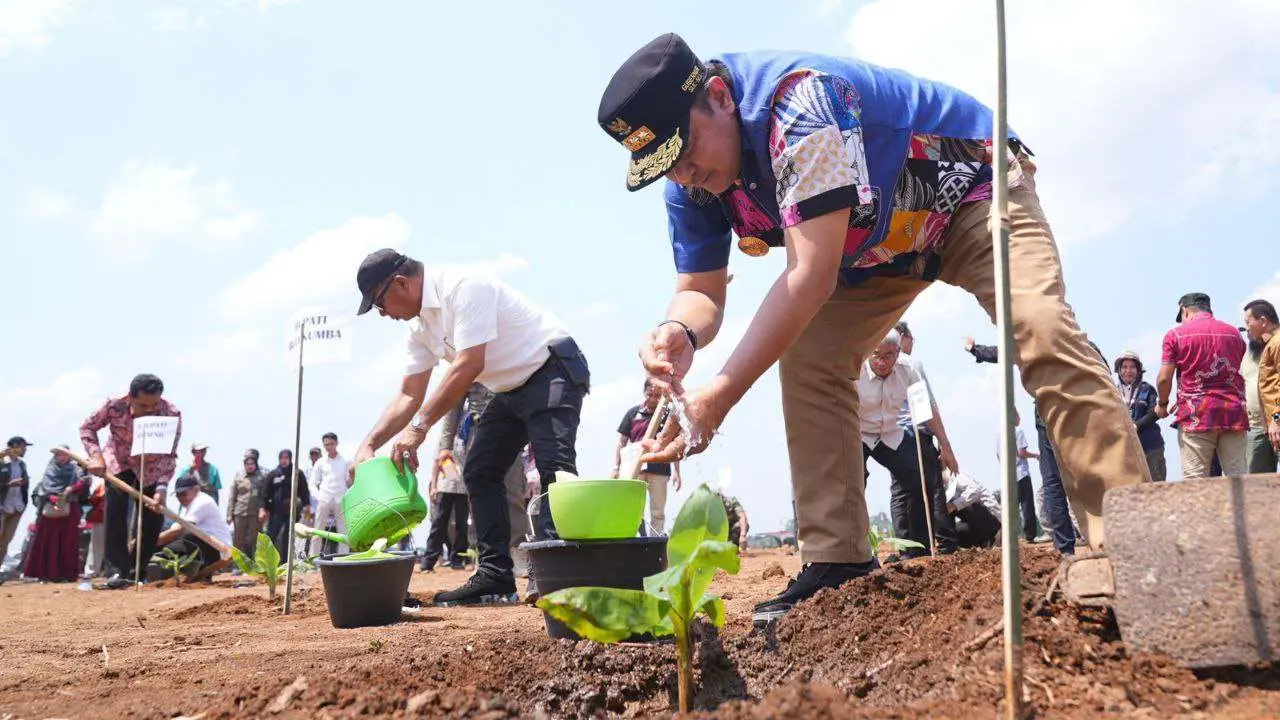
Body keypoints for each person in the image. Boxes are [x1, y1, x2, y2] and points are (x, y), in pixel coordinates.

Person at [599, 33, 1149, 623]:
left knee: (1037, 326)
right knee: (812, 359)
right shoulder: (691, 181)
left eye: (684, 151)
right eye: (666, 166)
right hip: (873, 248)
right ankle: (838, 562)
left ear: (719, 96)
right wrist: (679, 329)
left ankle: (1133, 549)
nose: (683, 175)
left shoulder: (800, 104)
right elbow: (701, 291)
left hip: (967, 192)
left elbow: (809, 276)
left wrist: (720, 395)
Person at [350, 249, 589, 607]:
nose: (383, 314)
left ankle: (556, 573)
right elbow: (409, 393)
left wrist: (419, 428)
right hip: (509, 388)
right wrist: (369, 444)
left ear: (400, 283)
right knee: (479, 470)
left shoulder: (464, 286)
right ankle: (495, 574)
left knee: (555, 468)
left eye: (379, 304)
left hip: (551, 369)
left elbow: (469, 364)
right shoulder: (419, 329)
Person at [964, 337, 1087, 554]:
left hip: (1050, 417)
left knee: (1054, 484)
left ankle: (1066, 546)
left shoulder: (1035, 342)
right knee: (1068, 480)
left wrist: (976, 349)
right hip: (1068, 417)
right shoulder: (1069, 341)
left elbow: (1004, 351)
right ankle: (1084, 536)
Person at [857, 330, 959, 558]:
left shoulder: (909, 368)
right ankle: (856, 552)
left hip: (889, 433)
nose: (881, 362)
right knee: (854, 482)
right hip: (858, 433)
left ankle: (916, 549)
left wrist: (946, 446)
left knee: (919, 474)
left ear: (898, 352)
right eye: (876, 355)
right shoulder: (856, 368)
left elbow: (927, 409)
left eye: (889, 355)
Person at [79, 374, 182, 589]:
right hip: (119, 463)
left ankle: (138, 572)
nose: (150, 410)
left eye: (154, 405)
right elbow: (87, 428)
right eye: (143, 405)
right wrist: (96, 457)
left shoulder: (171, 413)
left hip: (152, 469)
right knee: (115, 513)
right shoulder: (114, 405)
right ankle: (118, 571)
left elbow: (169, 454)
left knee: (153, 518)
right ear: (131, 397)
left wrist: (162, 487)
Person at [435, 384, 533, 577]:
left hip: (512, 425)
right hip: (477, 429)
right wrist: (445, 446)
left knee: (513, 491)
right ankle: (487, 556)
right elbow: (454, 402)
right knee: (480, 495)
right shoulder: (464, 364)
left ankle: (517, 550)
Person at [1157, 293, 1248, 478]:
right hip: (1233, 414)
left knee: (1195, 480)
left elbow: (1164, 379)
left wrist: (1163, 404)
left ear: (1184, 310)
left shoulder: (1175, 335)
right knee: (1239, 478)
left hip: (1195, 415)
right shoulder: (1235, 334)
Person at [611, 380, 682, 535]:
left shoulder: (668, 416)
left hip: (660, 469)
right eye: (650, 395)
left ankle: (656, 540)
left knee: (658, 511)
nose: (653, 398)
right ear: (644, 393)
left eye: (657, 395)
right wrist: (616, 467)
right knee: (634, 508)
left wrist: (677, 472)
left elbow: (675, 444)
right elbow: (621, 442)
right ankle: (638, 540)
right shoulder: (633, 413)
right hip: (636, 468)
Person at [22, 445, 90, 582]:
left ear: (70, 455)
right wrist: (52, 498)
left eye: (64, 454)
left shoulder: (76, 470)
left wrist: (73, 488)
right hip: (50, 511)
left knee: (68, 541)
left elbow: (84, 486)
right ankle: (46, 573)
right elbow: (43, 490)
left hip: (70, 508)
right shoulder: (50, 470)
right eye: (58, 454)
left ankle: (66, 574)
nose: (61, 457)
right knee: (48, 541)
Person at [155, 473, 233, 580]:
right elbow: (174, 528)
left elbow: (179, 530)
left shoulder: (202, 501)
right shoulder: (187, 507)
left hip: (219, 549)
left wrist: (152, 541)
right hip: (207, 546)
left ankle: (194, 570)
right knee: (168, 534)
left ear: (196, 489)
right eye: (177, 495)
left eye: (183, 493)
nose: (180, 498)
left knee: (186, 537)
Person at [1114, 351, 1167, 482]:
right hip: (1124, 449)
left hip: (1151, 447)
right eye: (1124, 367)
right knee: (1129, 487)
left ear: (1138, 370)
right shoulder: (1113, 391)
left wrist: (1136, 425)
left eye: (1132, 367)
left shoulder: (1148, 389)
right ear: (1119, 370)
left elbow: (1154, 413)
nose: (1128, 371)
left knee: (1156, 486)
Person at [1242, 299, 1280, 473]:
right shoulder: (1269, 345)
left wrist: (1277, 419)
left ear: (1263, 321)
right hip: (1263, 427)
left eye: (1248, 323)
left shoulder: (1277, 343)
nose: (1247, 328)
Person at [421, 438, 469, 572]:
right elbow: (437, 463)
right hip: (445, 486)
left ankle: (458, 560)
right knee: (438, 523)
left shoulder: (470, 438)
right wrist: (433, 486)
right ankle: (428, 561)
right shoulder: (446, 440)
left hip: (463, 487)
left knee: (462, 525)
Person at [996, 409, 1039, 542]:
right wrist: (1036, 455)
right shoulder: (1018, 431)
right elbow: (1021, 453)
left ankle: (1008, 535)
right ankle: (1030, 535)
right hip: (1021, 473)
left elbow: (998, 455)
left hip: (1008, 475)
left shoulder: (1000, 435)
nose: (1020, 417)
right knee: (1027, 505)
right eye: (1018, 415)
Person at [259, 449, 309, 559]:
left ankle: (287, 562)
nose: (284, 460)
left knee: (289, 537)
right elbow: (265, 493)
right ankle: (267, 561)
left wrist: (307, 505)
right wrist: (263, 508)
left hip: (293, 511)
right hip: (276, 511)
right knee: (271, 535)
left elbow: (304, 491)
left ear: (290, 459)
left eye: (286, 458)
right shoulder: (273, 474)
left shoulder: (297, 473)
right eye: (281, 458)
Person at [308, 432, 351, 556]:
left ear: (337, 443)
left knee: (343, 531)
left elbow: (349, 481)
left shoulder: (346, 461)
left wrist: (347, 494)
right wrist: (318, 497)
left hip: (340, 498)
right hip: (324, 498)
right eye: (326, 445)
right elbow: (312, 483)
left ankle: (343, 557)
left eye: (332, 444)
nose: (329, 447)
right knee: (318, 530)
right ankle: (313, 557)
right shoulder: (320, 462)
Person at [943, 469, 1001, 549]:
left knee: (953, 503)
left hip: (990, 519)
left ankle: (992, 535)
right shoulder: (942, 489)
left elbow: (975, 490)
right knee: (950, 532)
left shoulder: (955, 476)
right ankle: (984, 541)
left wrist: (953, 505)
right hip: (974, 526)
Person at [226, 451, 266, 559]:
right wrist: (229, 514)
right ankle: (237, 564)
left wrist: (263, 510)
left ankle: (257, 563)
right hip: (239, 512)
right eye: (247, 464)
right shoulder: (238, 477)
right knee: (238, 540)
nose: (250, 466)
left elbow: (264, 495)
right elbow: (232, 496)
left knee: (256, 540)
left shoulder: (261, 477)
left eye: (252, 464)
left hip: (255, 514)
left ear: (255, 464)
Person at [0, 437, 33, 561]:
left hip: (16, 508)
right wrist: (8, 484)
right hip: (2, 507)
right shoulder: (2, 461)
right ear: (15, 446)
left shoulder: (21, 464)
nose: (25, 450)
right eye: (23, 447)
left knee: (5, 543)